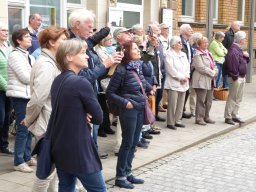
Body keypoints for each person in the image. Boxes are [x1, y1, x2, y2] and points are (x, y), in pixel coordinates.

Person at [51, 39, 106, 192]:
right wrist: (86, 112)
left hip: (60, 145)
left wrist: (82, 111)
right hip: (79, 148)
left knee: (66, 187)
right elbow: (98, 117)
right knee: (99, 189)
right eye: (82, 53)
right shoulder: (81, 82)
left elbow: (68, 109)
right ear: (69, 57)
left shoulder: (57, 80)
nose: (87, 56)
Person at [68, 8, 122, 159]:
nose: (92, 30)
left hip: (91, 93)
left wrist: (111, 64)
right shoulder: (71, 45)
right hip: (80, 98)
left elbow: (92, 41)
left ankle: (92, 152)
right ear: (77, 25)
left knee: (93, 130)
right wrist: (105, 64)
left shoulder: (83, 43)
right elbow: (83, 77)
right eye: (90, 26)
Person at [22, 27, 69, 192]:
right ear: (51, 42)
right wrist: (28, 119)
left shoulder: (52, 62)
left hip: (53, 123)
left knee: (53, 170)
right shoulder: (46, 64)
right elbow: (38, 99)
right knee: (46, 172)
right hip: (47, 124)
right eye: (63, 40)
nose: (67, 44)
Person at [106, 41, 153, 189]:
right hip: (129, 109)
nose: (138, 50)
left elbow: (142, 82)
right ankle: (120, 177)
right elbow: (110, 93)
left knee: (134, 143)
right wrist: (126, 103)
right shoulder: (121, 69)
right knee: (127, 143)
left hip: (139, 107)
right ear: (126, 52)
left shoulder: (137, 66)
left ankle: (128, 172)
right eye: (134, 49)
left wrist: (150, 88)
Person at [6, 28, 36, 172]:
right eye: (26, 36)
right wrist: (35, 75)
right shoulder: (15, 55)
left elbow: (34, 74)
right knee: (23, 129)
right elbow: (25, 77)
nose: (30, 38)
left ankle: (27, 157)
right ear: (18, 40)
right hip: (20, 97)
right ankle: (18, 162)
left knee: (29, 128)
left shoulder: (29, 56)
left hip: (29, 95)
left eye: (30, 36)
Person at [164, 36, 190, 130]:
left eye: (180, 42)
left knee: (181, 103)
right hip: (174, 82)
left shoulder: (183, 54)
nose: (181, 44)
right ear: (173, 45)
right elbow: (170, 69)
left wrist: (186, 76)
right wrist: (181, 77)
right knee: (172, 103)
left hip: (184, 82)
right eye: (179, 42)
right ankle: (170, 122)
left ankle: (178, 120)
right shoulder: (169, 54)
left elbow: (187, 66)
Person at [223, 31, 249, 125]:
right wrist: (235, 76)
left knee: (239, 97)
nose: (246, 40)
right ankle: (228, 116)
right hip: (236, 77)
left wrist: (246, 57)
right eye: (245, 39)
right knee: (233, 97)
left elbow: (243, 62)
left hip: (241, 76)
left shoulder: (239, 49)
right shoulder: (234, 50)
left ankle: (235, 114)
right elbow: (232, 66)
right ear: (241, 40)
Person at [191, 36, 218, 125]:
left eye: (207, 42)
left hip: (210, 79)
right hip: (201, 80)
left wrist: (215, 71)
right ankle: (199, 118)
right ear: (199, 44)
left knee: (209, 100)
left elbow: (214, 64)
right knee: (201, 100)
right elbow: (200, 68)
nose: (206, 44)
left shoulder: (208, 53)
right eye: (204, 43)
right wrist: (212, 73)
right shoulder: (197, 54)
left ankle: (207, 116)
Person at [95, 33, 116, 137]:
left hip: (108, 78)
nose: (111, 41)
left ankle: (106, 126)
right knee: (102, 105)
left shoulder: (109, 49)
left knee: (105, 106)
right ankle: (101, 128)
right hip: (102, 79)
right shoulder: (99, 50)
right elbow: (107, 63)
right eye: (109, 40)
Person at [0, 22, 13, 154]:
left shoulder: (8, 46)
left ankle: (3, 145)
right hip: (2, 89)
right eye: (3, 30)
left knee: (7, 118)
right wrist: (7, 87)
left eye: (7, 30)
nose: (6, 32)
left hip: (9, 89)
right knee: (1, 117)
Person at [180, 24, 194, 119]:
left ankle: (182, 110)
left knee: (187, 91)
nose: (191, 30)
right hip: (181, 70)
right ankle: (178, 112)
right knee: (181, 92)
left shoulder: (188, 42)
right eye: (189, 29)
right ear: (184, 31)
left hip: (188, 70)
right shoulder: (179, 41)